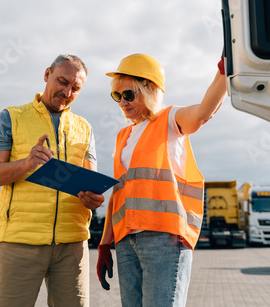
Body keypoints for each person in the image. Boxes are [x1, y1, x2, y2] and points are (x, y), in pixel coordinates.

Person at [97, 53, 226, 306]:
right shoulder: (124, 136)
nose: (122, 102)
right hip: (126, 242)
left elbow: (202, 113)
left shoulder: (169, 120)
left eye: (128, 95)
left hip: (163, 240)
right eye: (117, 96)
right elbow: (118, 193)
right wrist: (105, 244)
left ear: (150, 90)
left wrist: (223, 71)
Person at [0, 54, 105, 307]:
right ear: (47, 74)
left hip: (72, 245)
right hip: (19, 242)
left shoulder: (85, 128)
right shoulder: (10, 117)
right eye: (62, 81)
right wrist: (26, 164)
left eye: (76, 88)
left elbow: (91, 181)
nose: (67, 91)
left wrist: (94, 199)